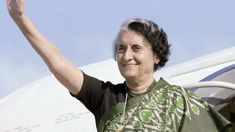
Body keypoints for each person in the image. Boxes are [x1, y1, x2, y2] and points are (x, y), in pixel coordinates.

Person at [7, 0, 232, 131]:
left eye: (136, 48)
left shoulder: (181, 101)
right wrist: (21, 19)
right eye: (121, 49)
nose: (127, 56)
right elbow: (59, 66)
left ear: (156, 56)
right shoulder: (106, 98)